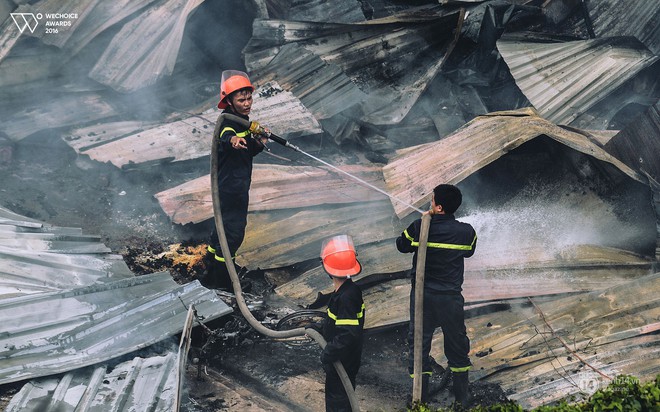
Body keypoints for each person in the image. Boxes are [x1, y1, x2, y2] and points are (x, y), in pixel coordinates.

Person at [396, 184, 477, 407]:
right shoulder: (466, 232)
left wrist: (424, 221)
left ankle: (419, 398)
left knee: (419, 344)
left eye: (432, 200)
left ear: (438, 206)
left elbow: (401, 245)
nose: (429, 203)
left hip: (423, 298)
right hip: (450, 299)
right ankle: (462, 397)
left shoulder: (420, 227)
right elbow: (470, 251)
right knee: (457, 344)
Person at [203, 70, 268, 290]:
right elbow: (225, 137)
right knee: (232, 236)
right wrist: (234, 140)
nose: (247, 103)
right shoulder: (228, 124)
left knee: (219, 230)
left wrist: (256, 143)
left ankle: (209, 266)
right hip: (231, 190)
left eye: (249, 98)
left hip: (235, 186)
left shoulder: (243, 120)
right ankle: (221, 282)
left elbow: (244, 152)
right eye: (241, 99)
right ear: (229, 101)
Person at [318, 235, 365, 412]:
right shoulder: (346, 291)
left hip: (343, 361)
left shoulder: (346, 297)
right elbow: (337, 324)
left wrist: (328, 352)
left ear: (329, 269)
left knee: (338, 402)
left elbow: (347, 334)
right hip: (343, 358)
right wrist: (318, 329)